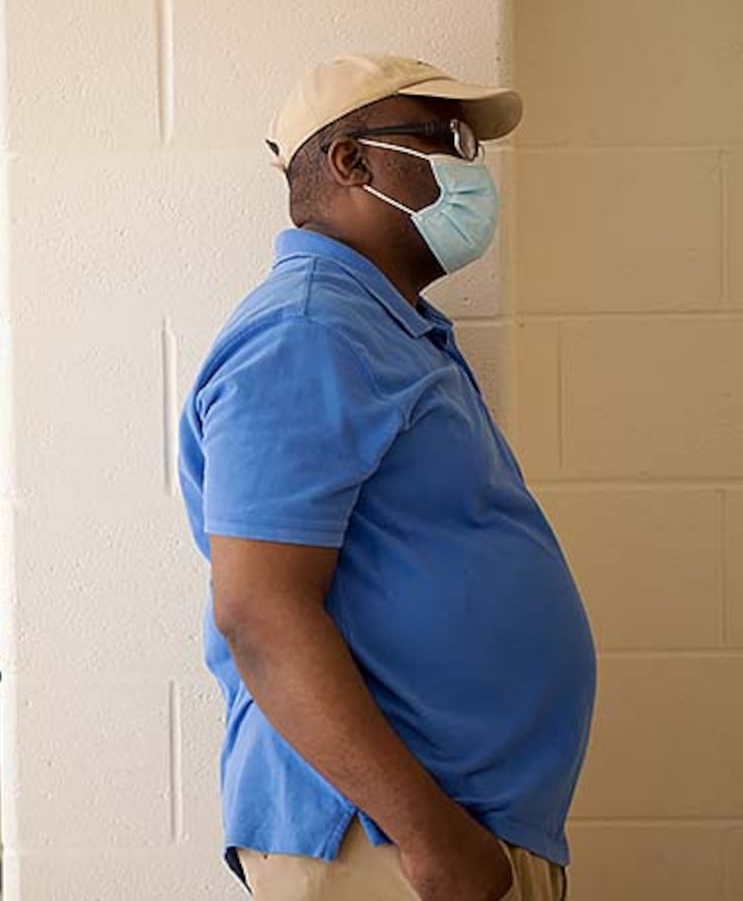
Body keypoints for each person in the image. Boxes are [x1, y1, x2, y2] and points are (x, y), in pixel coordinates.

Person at [178, 54, 596, 901]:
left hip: (441, 829)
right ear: (351, 162)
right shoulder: (307, 333)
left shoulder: (382, 327)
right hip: (383, 842)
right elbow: (259, 611)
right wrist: (429, 836)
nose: (469, 168)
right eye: (445, 141)